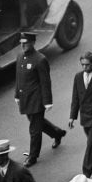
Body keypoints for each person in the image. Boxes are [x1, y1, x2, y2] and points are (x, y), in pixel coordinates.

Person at [16, 32, 66, 168]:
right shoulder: (20, 57)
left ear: (32, 43)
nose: (22, 45)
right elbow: (19, 78)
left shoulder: (40, 59)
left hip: (36, 101)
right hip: (26, 99)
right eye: (21, 42)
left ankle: (33, 156)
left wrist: (47, 101)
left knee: (34, 129)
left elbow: (45, 82)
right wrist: (17, 95)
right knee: (37, 123)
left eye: (25, 43)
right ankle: (57, 133)